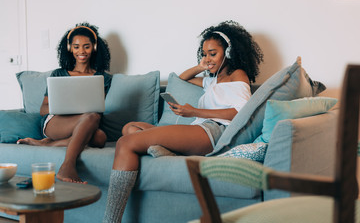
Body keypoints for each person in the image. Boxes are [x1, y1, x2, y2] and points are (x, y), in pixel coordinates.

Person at [102, 20, 264, 222]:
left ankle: (110, 220)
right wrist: (200, 66)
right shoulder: (211, 79)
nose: (208, 58)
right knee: (129, 128)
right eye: (204, 53)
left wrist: (195, 111)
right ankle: (168, 151)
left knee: (125, 143)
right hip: (198, 129)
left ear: (229, 53)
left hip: (213, 132)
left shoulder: (237, 75)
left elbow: (241, 113)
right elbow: (180, 79)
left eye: (213, 53)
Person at [17, 22, 112, 184]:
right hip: (57, 123)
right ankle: (68, 165)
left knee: (100, 137)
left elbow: (102, 107)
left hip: (86, 123)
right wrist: (65, 108)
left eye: (86, 46)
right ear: (69, 48)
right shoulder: (59, 74)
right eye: (76, 46)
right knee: (91, 117)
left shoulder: (104, 78)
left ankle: (47, 144)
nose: (81, 51)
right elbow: (43, 109)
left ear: (94, 47)